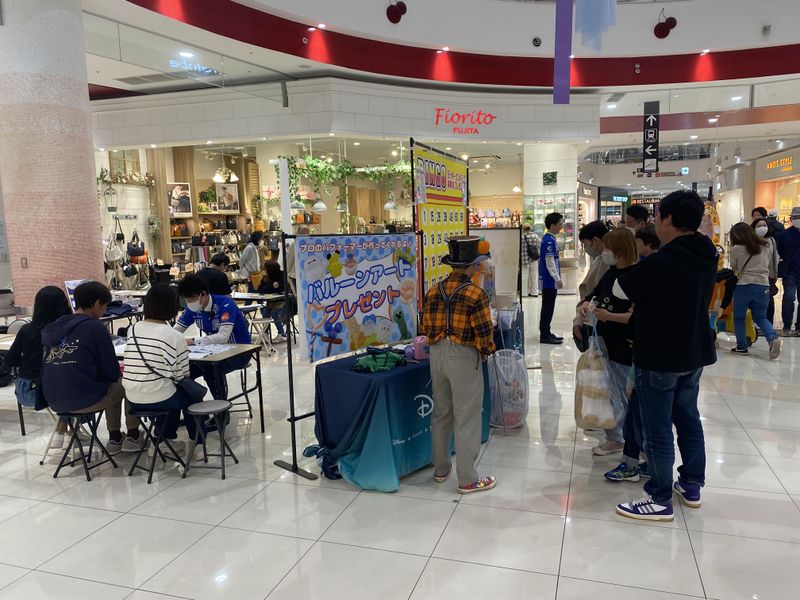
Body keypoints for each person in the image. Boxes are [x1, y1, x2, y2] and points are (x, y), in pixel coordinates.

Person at [614, 190, 717, 522]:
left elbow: (620, 288)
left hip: (660, 353)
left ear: (669, 219)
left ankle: (659, 497)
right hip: (693, 351)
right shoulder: (706, 253)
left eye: (658, 217)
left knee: (656, 428)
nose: (655, 223)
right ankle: (691, 484)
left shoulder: (665, 260)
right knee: (688, 419)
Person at [421, 236, 497, 494]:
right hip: (463, 356)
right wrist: (486, 351)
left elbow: (425, 326)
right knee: (467, 416)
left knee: (441, 412)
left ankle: (441, 469)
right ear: (475, 265)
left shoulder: (433, 291)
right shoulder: (476, 294)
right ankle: (467, 479)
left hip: (436, 353)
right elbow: (484, 334)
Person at [41, 281, 143, 452]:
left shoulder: (55, 326)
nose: (105, 310)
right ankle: (131, 436)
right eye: (105, 306)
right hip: (82, 399)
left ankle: (116, 438)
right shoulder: (95, 327)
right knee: (126, 383)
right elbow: (111, 371)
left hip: (53, 400)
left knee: (110, 384)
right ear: (96, 303)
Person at [577, 229, 637, 456]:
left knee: (622, 394)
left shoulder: (635, 277)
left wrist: (608, 316)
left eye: (608, 248)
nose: (604, 251)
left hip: (622, 346)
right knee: (607, 392)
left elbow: (635, 316)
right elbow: (594, 294)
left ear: (619, 251)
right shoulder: (610, 273)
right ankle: (615, 437)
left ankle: (630, 442)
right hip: (603, 343)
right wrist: (586, 305)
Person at [123, 284, 199, 449]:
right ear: (173, 307)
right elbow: (182, 376)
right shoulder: (175, 336)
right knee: (189, 395)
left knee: (167, 389)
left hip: (132, 398)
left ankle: (162, 438)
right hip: (160, 398)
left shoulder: (133, 329)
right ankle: (197, 442)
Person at [5, 286, 73, 449]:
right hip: (52, 392)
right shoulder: (67, 330)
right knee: (74, 385)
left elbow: (10, 359)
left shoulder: (26, 330)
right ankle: (67, 431)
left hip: (26, 390)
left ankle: (65, 431)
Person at [175, 275, 251, 401]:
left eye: (192, 298)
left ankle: (221, 407)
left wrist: (193, 341)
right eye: (187, 300)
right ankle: (195, 409)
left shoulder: (225, 304)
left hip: (239, 351)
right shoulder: (193, 309)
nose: (189, 303)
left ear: (203, 294)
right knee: (183, 370)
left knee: (210, 370)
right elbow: (176, 330)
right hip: (212, 352)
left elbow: (223, 337)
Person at [729, 223, 781, 358]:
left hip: (744, 285)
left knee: (739, 318)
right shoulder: (765, 246)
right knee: (761, 317)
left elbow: (734, 266)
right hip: (763, 285)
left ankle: (742, 346)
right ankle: (772, 338)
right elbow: (770, 264)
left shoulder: (736, 249)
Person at [573, 221, 609, 344]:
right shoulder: (599, 260)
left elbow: (594, 291)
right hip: (592, 317)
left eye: (585, 244)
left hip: (600, 320)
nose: (585, 248)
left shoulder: (606, 262)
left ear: (595, 241)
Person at [539, 212, 564, 344]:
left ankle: (547, 332)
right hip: (549, 280)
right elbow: (550, 263)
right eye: (560, 224)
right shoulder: (549, 240)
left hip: (549, 280)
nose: (561, 227)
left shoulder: (549, 238)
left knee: (548, 307)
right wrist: (557, 279)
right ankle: (544, 335)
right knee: (548, 308)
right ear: (553, 225)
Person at [777, 207, 800, 336]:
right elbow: (780, 250)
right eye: (795, 217)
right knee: (789, 297)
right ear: (791, 219)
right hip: (790, 270)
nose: (797, 220)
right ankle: (786, 325)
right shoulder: (785, 234)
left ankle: (799, 327)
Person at [752, 217, 779, 324]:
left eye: (764, 225)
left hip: (768, 275)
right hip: (754, 276)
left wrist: (775, 273)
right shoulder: (751, 241)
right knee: (755, 300)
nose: (762, 228)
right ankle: (755, 323)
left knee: (769, 301)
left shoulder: (771, 240)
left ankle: (768, 322)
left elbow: (774, 257)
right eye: (759, 226)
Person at [259, 260, 288, 340]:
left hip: (283, 301)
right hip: (271, 301)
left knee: (274, 313)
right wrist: (271, 286)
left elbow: (280, 289)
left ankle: (281, 334)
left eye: (265, 269)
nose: (264, 271)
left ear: (271, 270)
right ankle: (265, 333)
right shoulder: (266, 278)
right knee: (264, 310)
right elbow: (260, 289)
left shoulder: (281, 276)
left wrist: (271, 287)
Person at [285, 225, 309, 296]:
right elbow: (289, 261)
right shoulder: (295, 244)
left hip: (302, 275)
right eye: (303, 233)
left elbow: (289, 262)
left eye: (306, 233)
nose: (305, 235)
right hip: (299, 275)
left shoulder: (296, 244)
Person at [520, 224, 540, 297]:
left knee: (524, 276)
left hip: (524, 259)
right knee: (534, 276)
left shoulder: (521, 237)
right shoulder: (535, 236)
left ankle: (524, 293)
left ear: (523, 229)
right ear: (530, 228)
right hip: (534, 258)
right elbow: (539, 245)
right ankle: (534, 292)